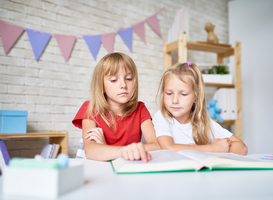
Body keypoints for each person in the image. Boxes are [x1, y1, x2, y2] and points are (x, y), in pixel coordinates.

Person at [72, 52, 160, 162]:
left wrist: (105, 148)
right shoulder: (90, 108)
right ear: (101, 86)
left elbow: (157, 146)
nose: (123, 85)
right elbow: (91, 151)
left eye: (129, 78)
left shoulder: (140, 108)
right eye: (114, 80)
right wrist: (125, 152)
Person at [153, 62, 248, 155]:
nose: (174, 100)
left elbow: (242, 149)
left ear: (196, 97)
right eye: (169, 93)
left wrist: (219, 147)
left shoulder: (204, 123)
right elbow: (168, 148)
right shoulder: (161, 117)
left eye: (183, 94)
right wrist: (211, 148)